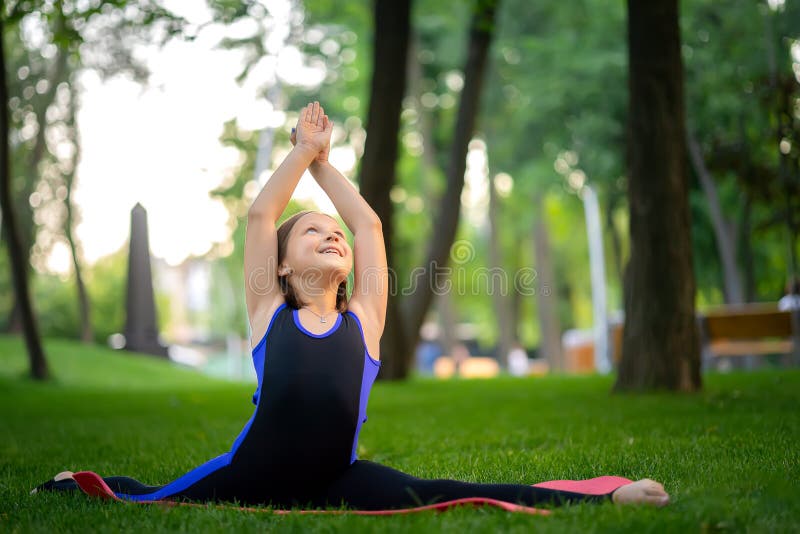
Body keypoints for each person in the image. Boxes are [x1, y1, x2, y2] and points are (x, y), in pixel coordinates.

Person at [32, 102, 669, 510]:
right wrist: (302, 154)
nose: (331, 233)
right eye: (311, 232)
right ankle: (68, 483)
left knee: (452, 496)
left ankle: (608, 499)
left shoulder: (364, 319)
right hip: (249, 474)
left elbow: (368, 227)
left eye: (331, 231)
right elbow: (261, 215)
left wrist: (327, 169)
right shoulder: (269, 315)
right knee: (146, 497)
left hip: (339, 479)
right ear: (283, 265)